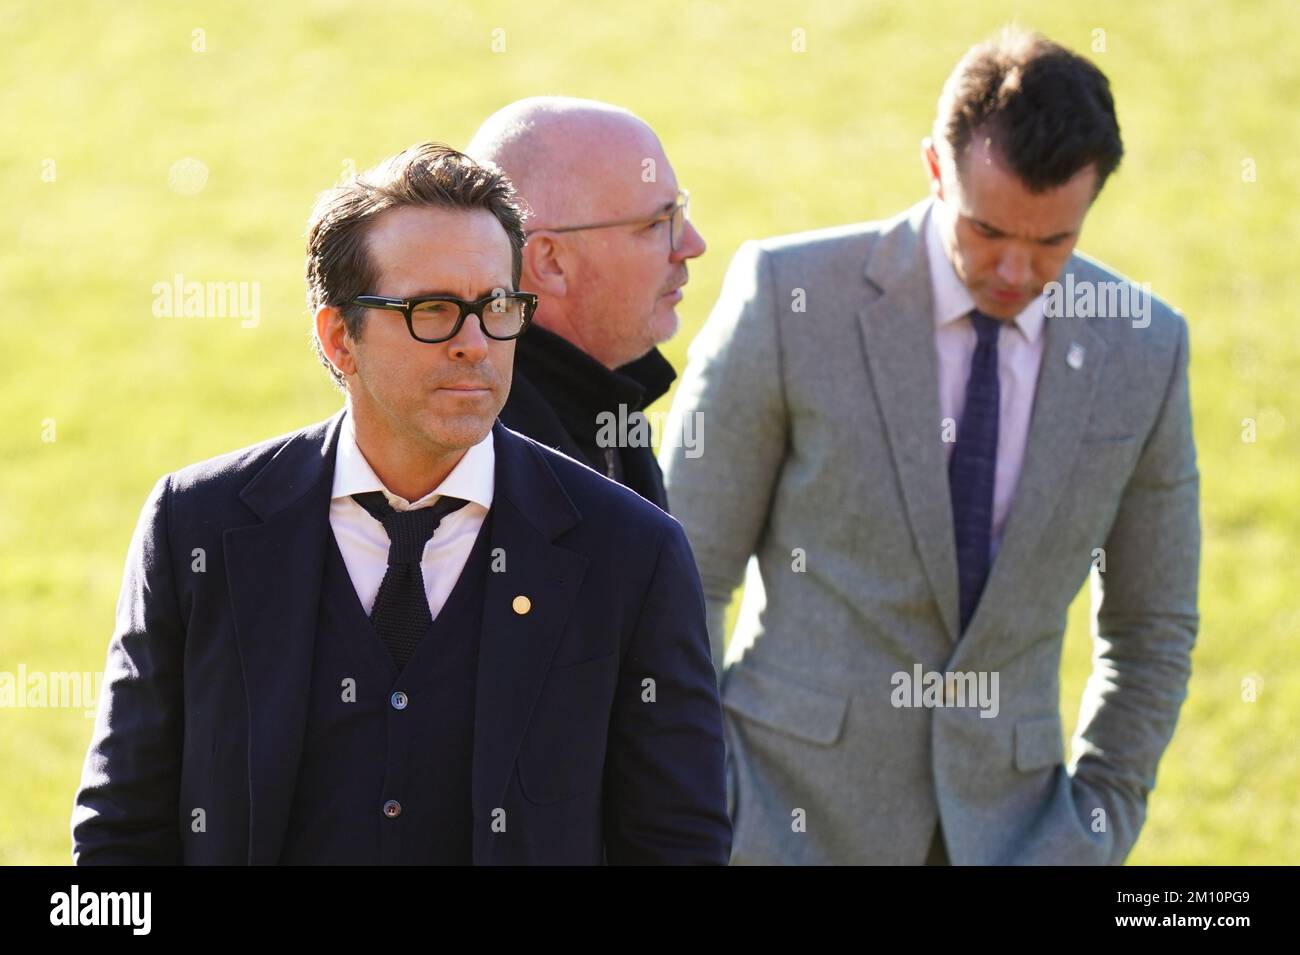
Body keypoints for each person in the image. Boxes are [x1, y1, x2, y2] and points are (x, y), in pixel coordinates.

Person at [72, 142, 730, 865]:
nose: (475, 344)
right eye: (434, 310)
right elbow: (120, 836)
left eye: (496, 306)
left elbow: (678, 846)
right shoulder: (196, 526)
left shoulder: (630, 552)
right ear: (338, 336)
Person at [660, 28, 1200, 865]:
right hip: (780, 822)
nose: (1017, 270)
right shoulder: (788, 297)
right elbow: (681, 571)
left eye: (1053, 241)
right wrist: (709, 799)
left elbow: (1152, 626)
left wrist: (1097, 820)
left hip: (1018, 837)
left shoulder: (1146, 348)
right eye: (987, 230)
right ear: (935, 168)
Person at [467, 97, 706, 510]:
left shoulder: (602, 393)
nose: (693, 245)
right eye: (655, 224)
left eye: (679, 214)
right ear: (551, 262)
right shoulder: (490, 460)